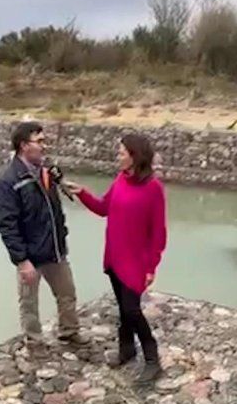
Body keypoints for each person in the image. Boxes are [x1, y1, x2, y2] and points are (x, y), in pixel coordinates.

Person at [63, 133, 167, 383]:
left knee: (132, 310)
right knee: (122, 308)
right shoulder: (121, 179)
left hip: (136, 262)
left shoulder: (153, 188)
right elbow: (103, 208)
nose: (117, 156)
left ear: (135, 156)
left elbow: (159, 233)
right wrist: (82, 193)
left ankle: (153, 359)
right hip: (114, 257)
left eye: (121, 152)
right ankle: (127, 350)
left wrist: (151, 266)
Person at [0, 121, 85, 348]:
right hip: (30, 255)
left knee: (67, 295)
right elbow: (6, 225)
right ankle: (34, 343)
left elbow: (54, 187)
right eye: (40, 141)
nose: (44, 146)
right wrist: (22, 261)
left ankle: (69, 333)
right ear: (24, 145)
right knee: (29, 303)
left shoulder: (46, 169)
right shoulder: (7, 181)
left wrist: (62, 182)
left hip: (54, 248)